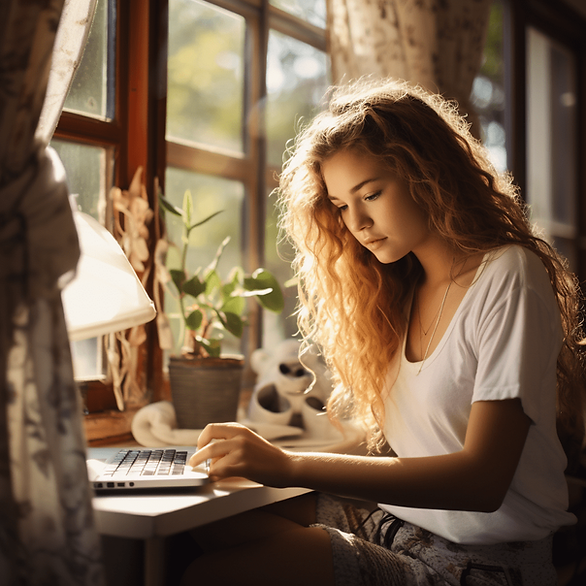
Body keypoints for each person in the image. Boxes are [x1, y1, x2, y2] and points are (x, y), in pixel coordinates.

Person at [182, 77, 585, 586]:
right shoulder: (399, 289)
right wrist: (254, 456)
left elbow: (483, 480)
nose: (359, 222)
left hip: (488, 564)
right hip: (403, 526)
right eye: (341, 205)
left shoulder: (508, 274)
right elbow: (407, 454)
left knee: (212, 573)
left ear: (428, 173)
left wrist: (287, 465)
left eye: (371, 193)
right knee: (214, 523)